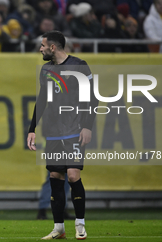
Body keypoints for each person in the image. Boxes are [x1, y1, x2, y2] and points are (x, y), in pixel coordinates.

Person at [27, 31, 98, 240]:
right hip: (53, 132)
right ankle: (59, 228)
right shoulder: (46, 69)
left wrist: (87, 126)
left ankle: (80, 224)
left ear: (53, 47)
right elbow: (42, 100)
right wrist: (32, 128)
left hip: (75, 129)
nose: (40, 48)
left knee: (73, 175)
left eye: (42, 45)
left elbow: (93, 98)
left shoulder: (79, 65)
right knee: (55, 177)